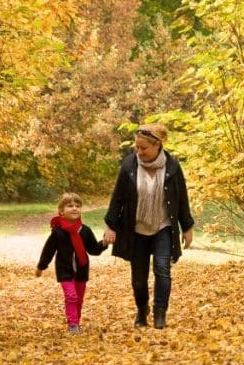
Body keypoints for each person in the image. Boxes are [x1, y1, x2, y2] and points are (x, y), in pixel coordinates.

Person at [103, 122, 194, 329]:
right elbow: (118, 198)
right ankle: (142, 309)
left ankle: (160, 314)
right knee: (138, 279)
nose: (139, 151)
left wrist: (187, 227)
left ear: (157, 146)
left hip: (163, 227)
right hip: (136, 229)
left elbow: (181, 199)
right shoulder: (129, 165)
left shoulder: (172, 167)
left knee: (162, 269)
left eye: (143, 148)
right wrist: (111, 225)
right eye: (137, 147)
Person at [36, 193, 107, 335]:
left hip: (81, 270)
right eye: (70, 206)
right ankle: (73, 324)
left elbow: (93, 249)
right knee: (71, 296)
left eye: (77, 206)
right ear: (61, 211)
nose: (74, 208)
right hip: (65, 270)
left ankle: (76, 321)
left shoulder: (85, 230)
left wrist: (105, 242)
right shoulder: (58, 232)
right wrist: (41, 267)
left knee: (79, 299)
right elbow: (48, 250)